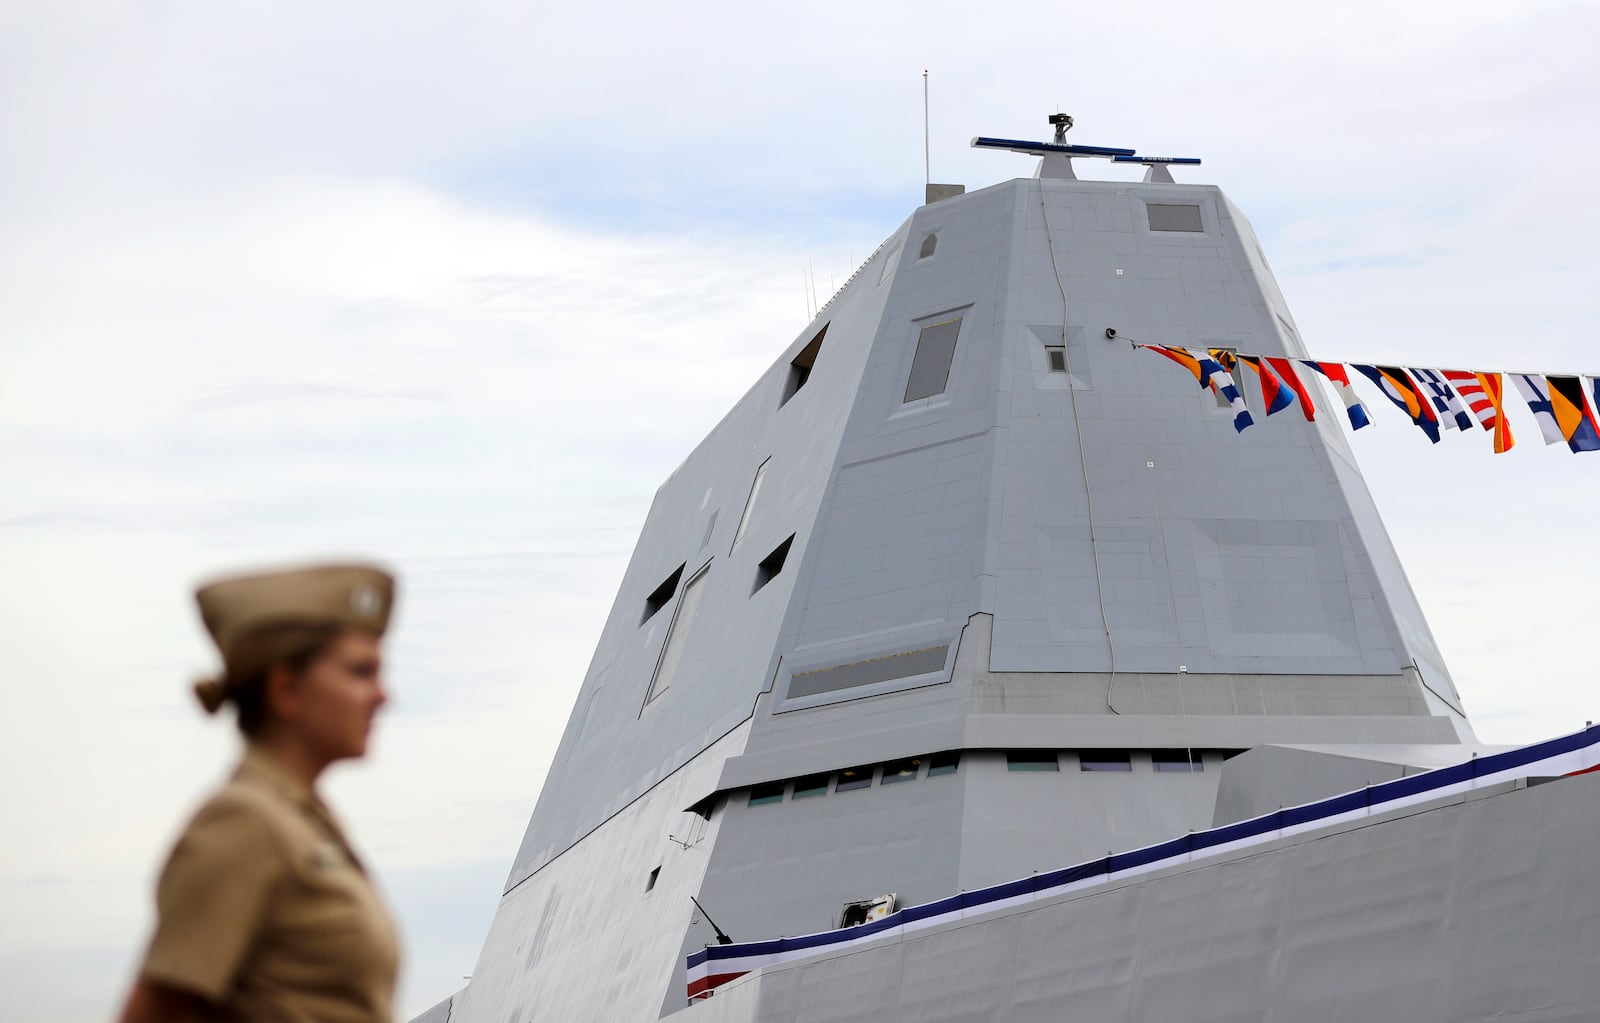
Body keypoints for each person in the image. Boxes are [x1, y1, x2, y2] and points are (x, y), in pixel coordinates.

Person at [118, 563, 401, 1023]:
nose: (383, 696)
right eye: (360, 672)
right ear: (287, 689)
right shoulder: (244, 824)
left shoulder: (300, 821)